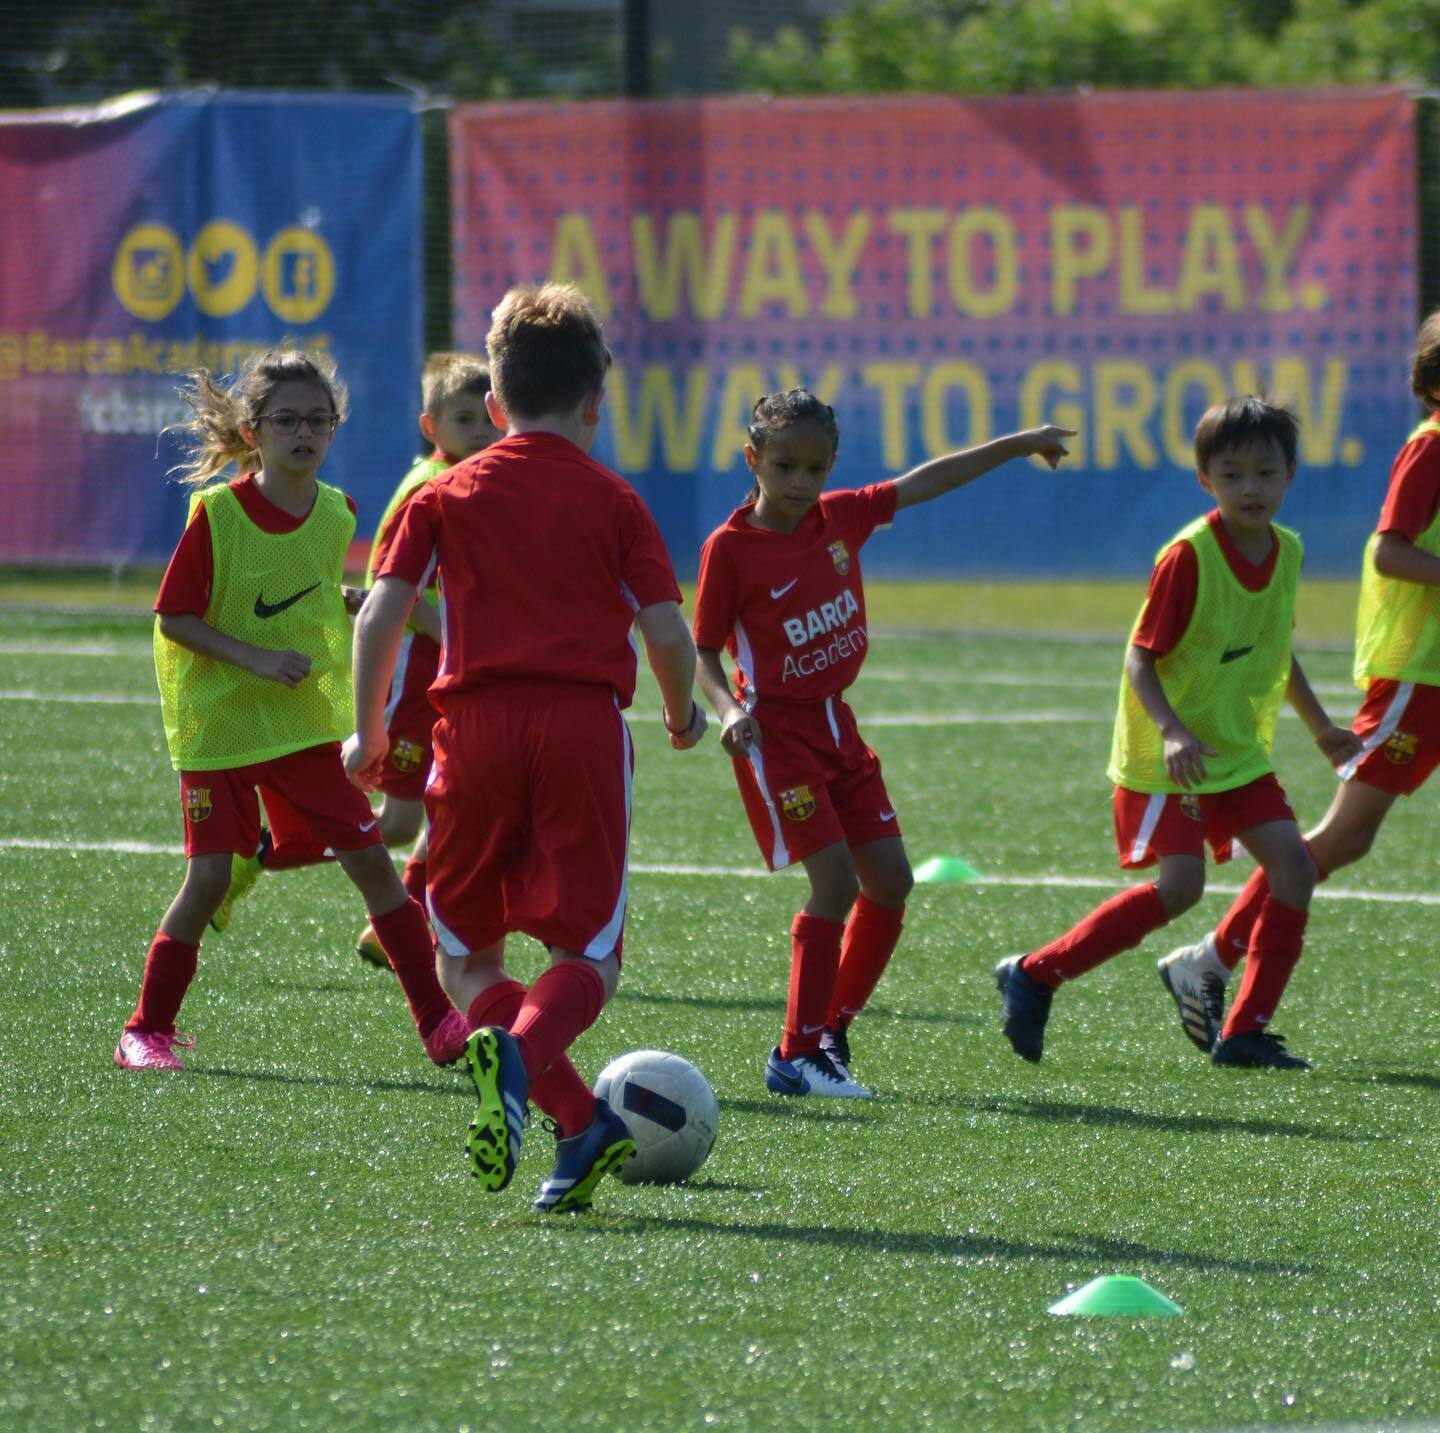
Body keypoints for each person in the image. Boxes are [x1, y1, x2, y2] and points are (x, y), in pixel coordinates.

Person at [346, 282, 707, 1213]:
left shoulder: (448, 490)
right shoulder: (614, 498)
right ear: (596, 400)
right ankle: (524, 1062)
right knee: (588, 956)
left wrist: (373, 727)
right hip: (580, 728)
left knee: (468, 959)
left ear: (495, 405)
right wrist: (679, 713)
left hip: (467, 735)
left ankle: (579, 1127)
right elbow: (668, 632)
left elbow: (380, 611)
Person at [693, 388, 1074, 1098]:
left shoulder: (840, 517)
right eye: (785, 466)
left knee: (891, 882)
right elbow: (704, 650)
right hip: (781, 738)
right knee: (833, 884)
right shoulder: (731, 549)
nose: (801, 482)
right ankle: (794, 1053)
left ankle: (830, 1028)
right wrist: (723, 711)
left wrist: (1019, 442)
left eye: (815, 467)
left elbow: (928, 479)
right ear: (754, 460)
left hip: (840, 726)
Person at [115, 347, 468, 1073]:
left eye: (319, 419)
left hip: (301, 725)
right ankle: (145, 1031)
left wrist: (348, 610)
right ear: (254, 430)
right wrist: (254, 658)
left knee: (371, 859)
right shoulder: (217, 515)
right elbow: (174, 616)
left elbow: (301, 595)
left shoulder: (337, 513)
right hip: (219, 728)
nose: (304, 432)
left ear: (334, 428)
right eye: (287, 420)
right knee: (208, 879)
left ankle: (439, 1021)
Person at [995, 396, 1362, 1071]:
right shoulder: (1189, 556)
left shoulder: (1288, 553)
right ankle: (1036, 973)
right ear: (1205, 480)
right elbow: (1139, 655)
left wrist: (1321, 729)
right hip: (1173, 757)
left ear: (1291, 474)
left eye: (1264, 472)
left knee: (1294, 868)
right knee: (1181, 888)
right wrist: (1169, 731)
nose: (1249, 487)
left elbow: (1276, 648)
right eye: (1232, 474)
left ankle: (1247, 1030)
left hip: (1235, 749)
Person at [1159, 311, 1440, 1050]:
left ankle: (1210, 960)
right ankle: (1210, 960)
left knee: (1344, 841)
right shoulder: (1431, 448)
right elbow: (1389, 553)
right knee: (1343, 837)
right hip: (1421, 674)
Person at [353, 352, 502, 968]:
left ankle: (393, 924)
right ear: (430, 426)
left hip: (444, 676)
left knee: (446, 803)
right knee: (399, 821)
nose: (482, 434)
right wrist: (461, 633)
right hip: (415, 674)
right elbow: (394, 595)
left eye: (488, 420)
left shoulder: (474, 484)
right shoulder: (429, 488)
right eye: (464, 420)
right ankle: (261, 850)